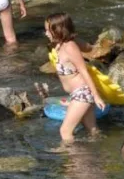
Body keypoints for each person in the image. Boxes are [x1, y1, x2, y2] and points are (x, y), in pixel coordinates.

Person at [44, 12, 106, 144]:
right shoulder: (62, 43)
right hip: (78, 94)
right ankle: (99, 157)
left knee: (65, 131)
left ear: (58, 30)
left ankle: (74, 162)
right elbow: (89, 48)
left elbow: (84, 71)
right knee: (92, 129)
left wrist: (96, 96)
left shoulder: (70, 47)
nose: (46, 33)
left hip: (83, 93)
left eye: (48, 30)